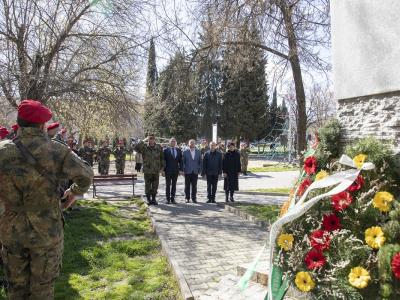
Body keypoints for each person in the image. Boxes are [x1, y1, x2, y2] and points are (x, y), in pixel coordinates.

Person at [0, 99, 93, 299]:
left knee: (15, 290)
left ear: (19, 122)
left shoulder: (2, 151)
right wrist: (73, 193)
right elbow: (86, 175)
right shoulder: (56, 150)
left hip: (11, 231)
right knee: (42, 290)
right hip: (46, 232)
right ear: (42, 125)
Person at [134, 134, 164, 205]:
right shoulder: (144, 147)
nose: (151, 140)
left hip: (156, 170)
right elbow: (136, 148)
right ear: (148, 140)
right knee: (147, 185)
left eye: (153, 139)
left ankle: (153, 199)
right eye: (150, 139)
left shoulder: (159, 147)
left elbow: (162, 158)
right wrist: (144, 140)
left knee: (155, 186)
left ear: (155, 140)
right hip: (147, 170)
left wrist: (162, 168)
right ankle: (148, 199)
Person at [163, 137, 183, 204]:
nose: (173, 142)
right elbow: (163, 161)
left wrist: (181, 170)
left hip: (175, 171)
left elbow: (181, 161)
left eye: (174, 141)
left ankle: (173, 198)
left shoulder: (179, 150)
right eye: (172, 141)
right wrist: (162, 170)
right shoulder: (165, 150)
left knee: (174, 185)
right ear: (169, 142)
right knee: (168, 185)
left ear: (176, 143)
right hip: (168, 170)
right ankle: (167, 199)